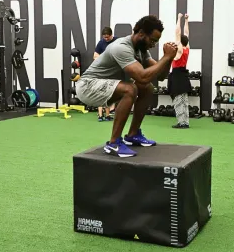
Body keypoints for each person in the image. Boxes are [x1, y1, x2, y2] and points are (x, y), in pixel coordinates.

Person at [76, 15, 178, 157]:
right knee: (130, 89)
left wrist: (169, 59)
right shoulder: (121, 47)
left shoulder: (141, 50)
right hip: (87, 86)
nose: (153, 44)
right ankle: (113, 144)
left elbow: (160, 76)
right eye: (153, 40)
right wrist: (166, 57)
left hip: (106, 86)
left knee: (147, 88)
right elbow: (142, 77)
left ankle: (133, 134)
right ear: (141, 34)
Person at [167, 13, 192, 129]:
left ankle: (182, 123)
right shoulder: (187, 48)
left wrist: (179, 18)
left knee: (178, 100)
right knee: (184, 101)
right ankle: (185, 122)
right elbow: (186, 33)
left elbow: (178, 33)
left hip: (177, 76)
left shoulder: (180, 50)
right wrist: (186, 20)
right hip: (183, 74)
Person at [93, 27, 118, 122]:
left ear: (112, 35)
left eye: (107, 37)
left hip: (115, 71)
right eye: (104, 37)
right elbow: (95, 56)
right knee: (103, 92)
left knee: (113, 91)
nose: (106, 39)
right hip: (104, 71)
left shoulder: (118, 41)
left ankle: (110, 112)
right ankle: (101, 115)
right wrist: (105, 59)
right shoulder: (101, 43)